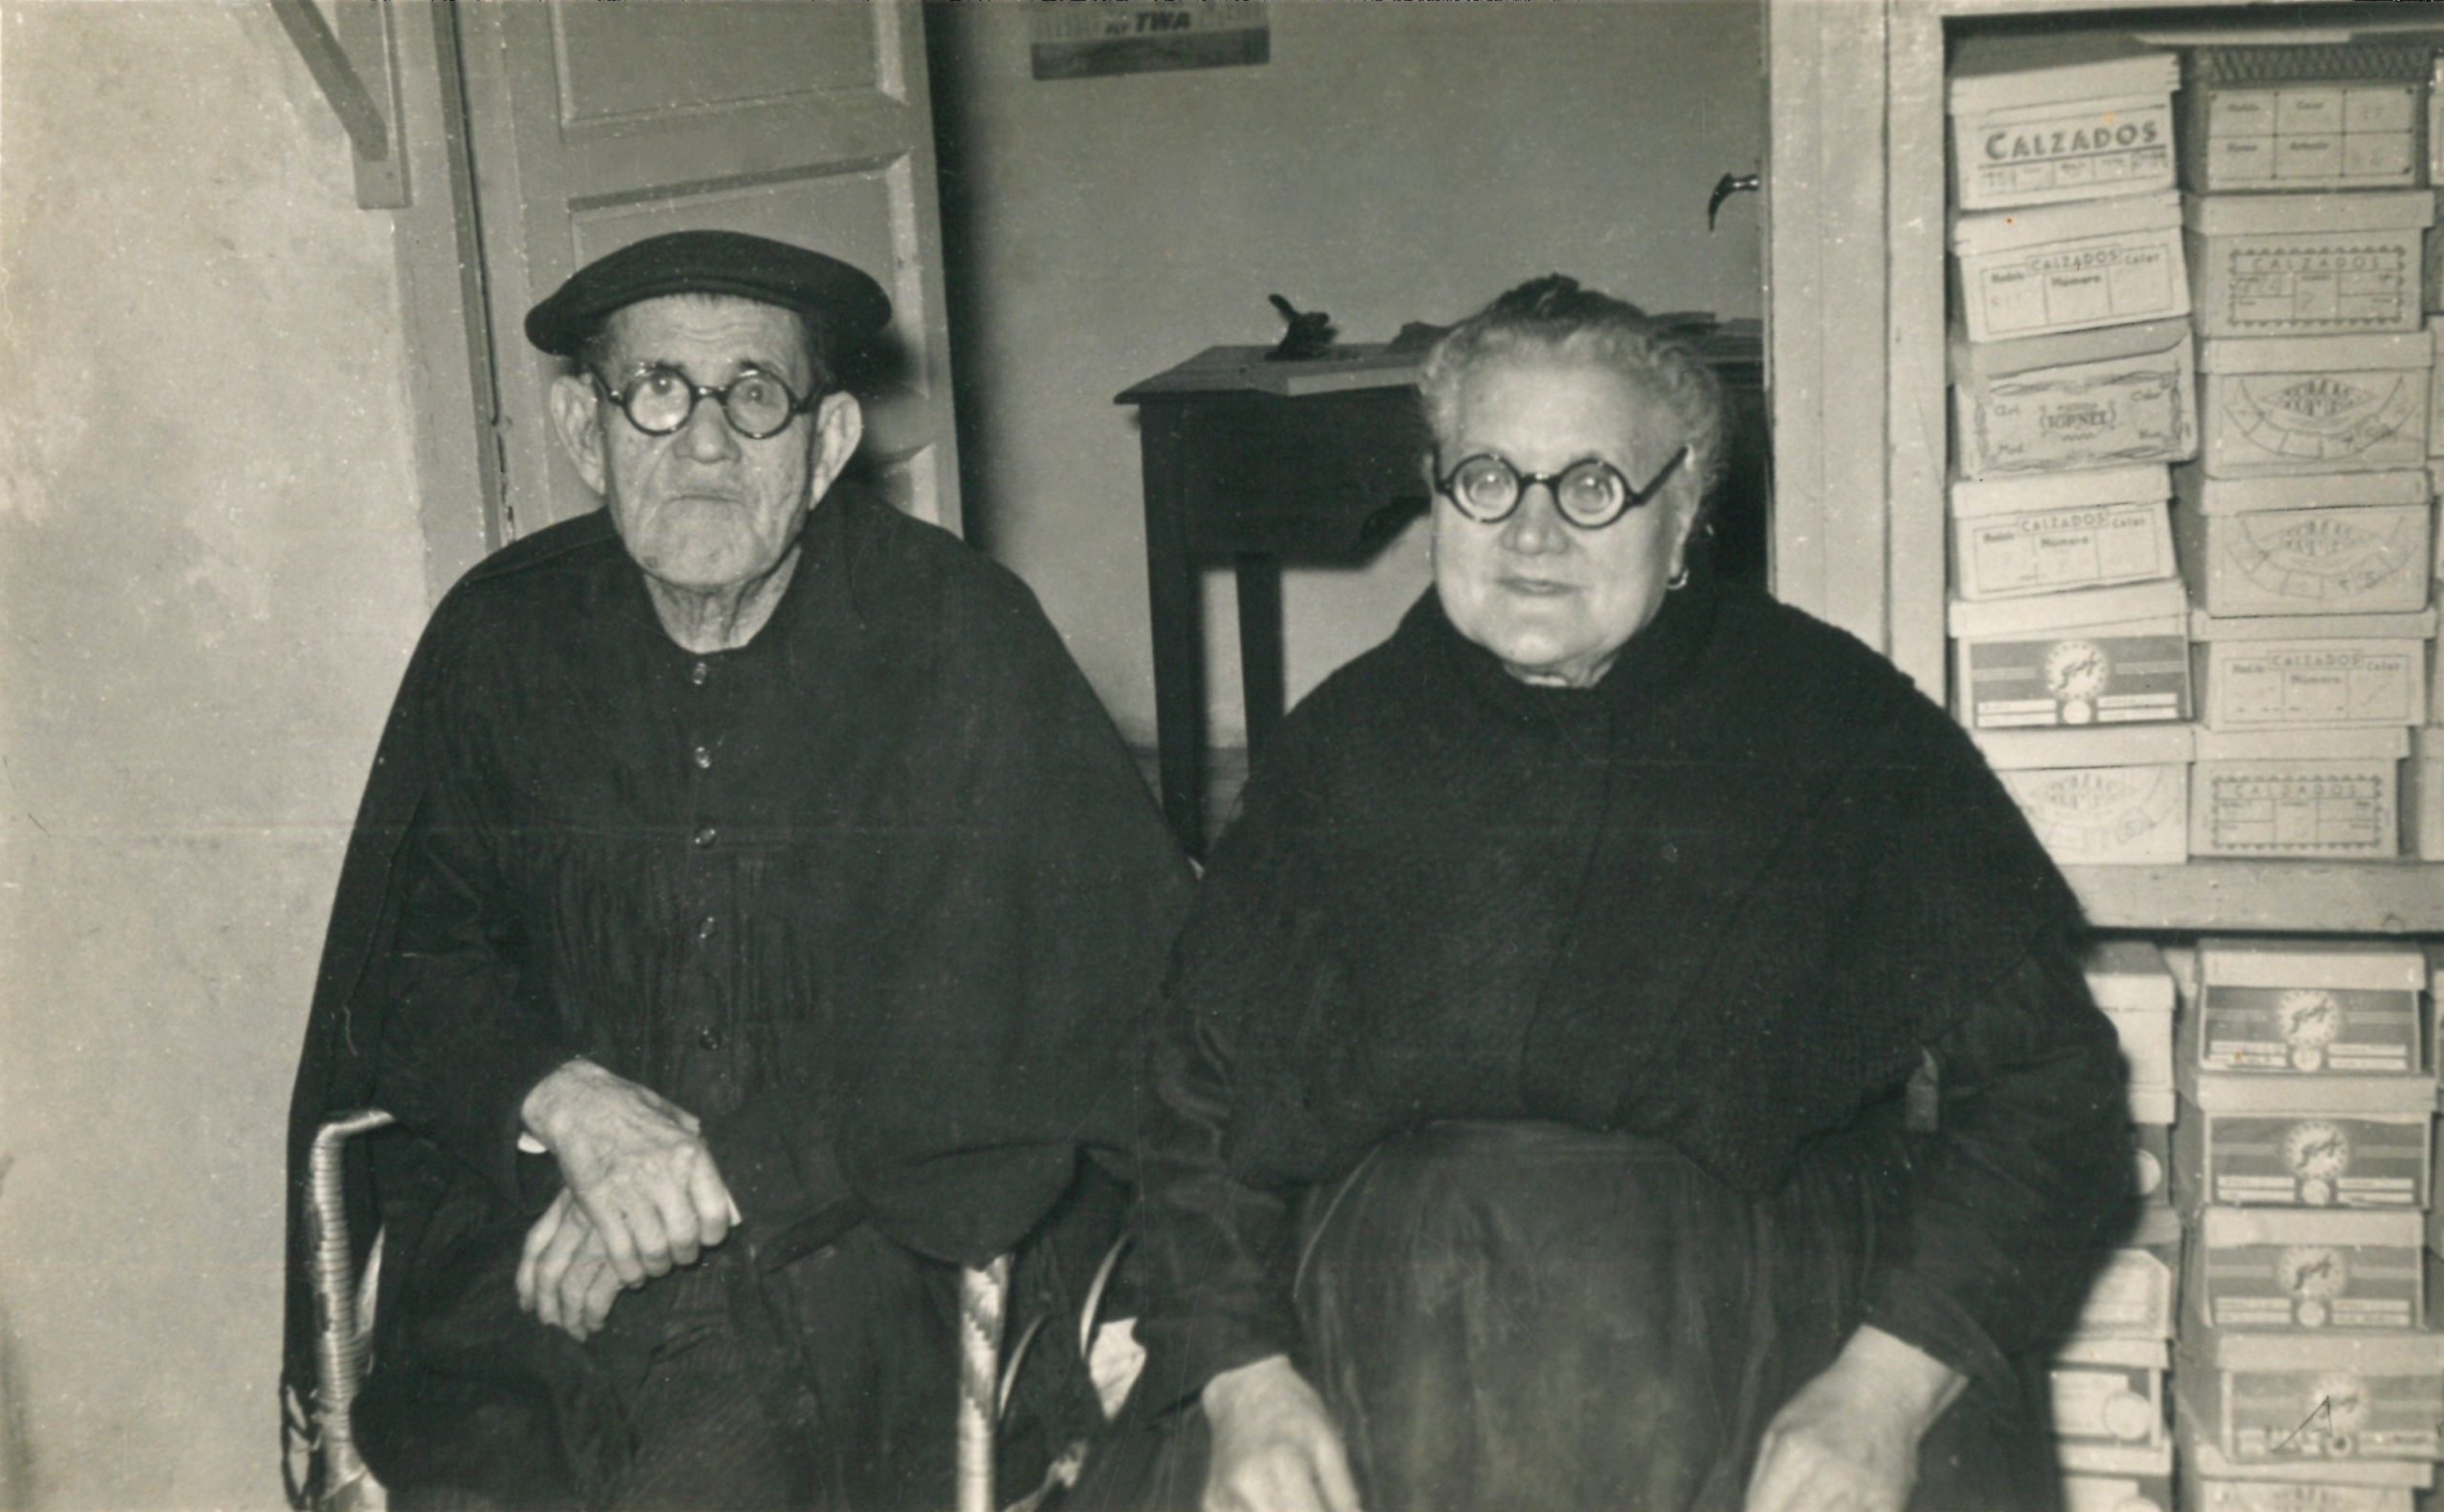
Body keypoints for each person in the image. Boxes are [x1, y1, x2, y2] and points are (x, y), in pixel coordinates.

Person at [1092, 276, 2135, 1512]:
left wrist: (1884, 1392)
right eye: (1488, 478)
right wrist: (1246, 1382)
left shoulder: (1835, 723)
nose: (1531, 534)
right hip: (1382, 1354)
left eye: (1592, 486)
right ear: (1435, 493)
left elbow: (2050, 1100)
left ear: (1683, 511)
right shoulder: (1342, 746)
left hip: (1766, 1353)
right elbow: (1193, 1105)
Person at [279, 230, 1193, 1511]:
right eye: (658, 391)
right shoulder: (498, 638)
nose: (705, 445)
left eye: (755, 395)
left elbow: (1058, 1011)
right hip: (543, 1262)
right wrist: (564, 1100)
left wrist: (727, 1170)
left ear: (826, 445)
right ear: (585, 430)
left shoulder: (961, 641)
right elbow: (406, 973)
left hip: (859, 1264)